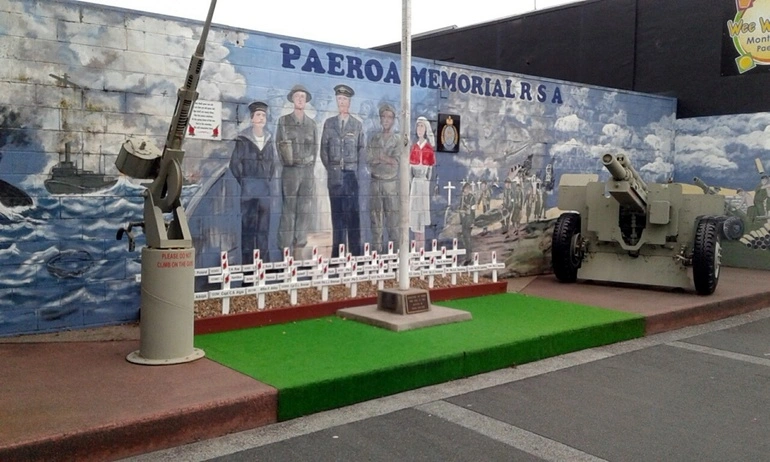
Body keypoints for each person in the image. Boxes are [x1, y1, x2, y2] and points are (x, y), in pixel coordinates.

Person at [229, 101, 278, 264]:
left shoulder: (269, 139)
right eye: (258, 115)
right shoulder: (243, 139)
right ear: (252, 118)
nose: (261, 118)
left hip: (264, 191)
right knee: (249, 231)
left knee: (263, 230)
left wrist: (265, 180)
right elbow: (234, 164)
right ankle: (248, 267)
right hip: (249, 191)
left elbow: (273, 164)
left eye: (263, 115)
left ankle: (263, 266)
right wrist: (245, 181)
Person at [320, 84, 365, 257]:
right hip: (335, 177)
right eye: (339, 99)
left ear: (349, 102)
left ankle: (356, 255)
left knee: (353, 217)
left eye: (345, 99)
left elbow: (361, 150)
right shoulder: (329, 123)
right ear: (336, 101)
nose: (342, 102)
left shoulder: (357, 125)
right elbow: (323, 149)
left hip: (351, 176)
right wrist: (332, 168)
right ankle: (337, 256)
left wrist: (355, 171)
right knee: (337, 218)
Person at [275, 84, 318, 259]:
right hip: (291, 171)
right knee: (289, 208)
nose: (300, 99)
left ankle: (299, 243)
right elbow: (280, 145)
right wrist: (289, 163)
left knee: (304, 208)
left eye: (303, 97)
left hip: (306, 170)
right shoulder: (284, 121)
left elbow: (315, 150)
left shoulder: (312, 124)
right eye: (297, 96)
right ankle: (285, 245)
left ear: (306, 101)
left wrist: (309, 168)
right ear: (292, 99)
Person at [366, 103, 401, 253]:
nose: (386, 120)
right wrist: (385, 159)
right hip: (376, 182)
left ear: (393, 120)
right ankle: (377, 254)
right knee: (376, 221)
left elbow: (396, 163)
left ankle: (397, 256)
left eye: (389, 117)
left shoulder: (397, 140)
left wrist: (382, 158)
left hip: (390, 184)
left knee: (393, 222)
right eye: (384, 117)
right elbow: (370, 160)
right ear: (380, 119)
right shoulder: (374, 139)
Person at [409, 116, 436, 251]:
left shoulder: (428, 149)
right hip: (415, 185)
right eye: (418, 126)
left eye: (422, 126)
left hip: (423, 185)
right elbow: (410, 171)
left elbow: (430, 173)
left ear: (426, 129)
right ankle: (415, 249)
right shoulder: (413, 147)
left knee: (422, 219)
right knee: (414, 219)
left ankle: (421, 250)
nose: (419, 129)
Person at [459, 182, 476, 264]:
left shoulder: (472, 198)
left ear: (469, 190)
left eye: (466, 189)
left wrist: (473, 221)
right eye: (464, 189)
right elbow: (460, 209)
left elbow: (472, 211)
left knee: (467, 238)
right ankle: (467, 256)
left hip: (469, 220)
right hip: (464, 220)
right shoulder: (462, 198)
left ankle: (469, 257)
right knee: (464, 238)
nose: (464, 191)